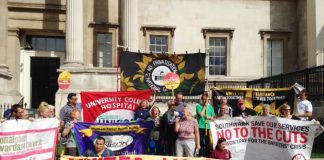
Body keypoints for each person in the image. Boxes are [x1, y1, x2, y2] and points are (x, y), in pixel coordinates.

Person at [196, 91, 215, 157]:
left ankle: (208, 156)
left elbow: (214, 118)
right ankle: (202, 155)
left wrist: (210, 117)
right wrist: (204, 107)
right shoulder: (198, 106)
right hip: (201, 126)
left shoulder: (211, 107)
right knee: (201, 142)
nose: (205, 101)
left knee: (208, 143)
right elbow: (201, 115)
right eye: (203, 99)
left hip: (209, 127)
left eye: (206, 99)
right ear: (202, 99)